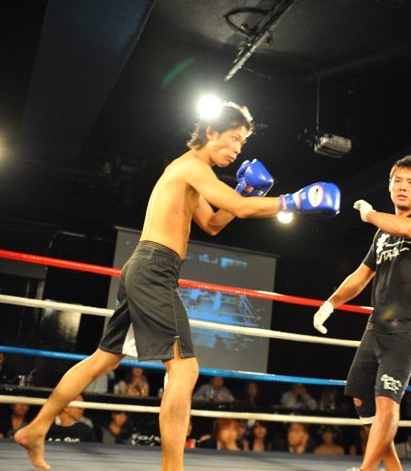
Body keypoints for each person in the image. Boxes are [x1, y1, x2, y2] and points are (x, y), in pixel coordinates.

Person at [15, 101, 340, 471]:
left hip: (148, 267)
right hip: (154, 268)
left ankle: (36, 429)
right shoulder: (192, 167)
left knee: (104, 358)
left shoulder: (191, 173)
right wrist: (295, 201)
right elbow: (241, 209)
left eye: (242, 143)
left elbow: (213, 223)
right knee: (185, 371)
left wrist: (246, 193)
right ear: (211, 132)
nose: (237, 149)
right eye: (234, 138)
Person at [314, 154, 411, 471]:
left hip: (407, 327)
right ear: (389, 186)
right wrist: (330, 303)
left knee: (387, 402)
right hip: (377, 326)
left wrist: (371, 214)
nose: (403, 187)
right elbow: (361, 276)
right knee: (361, 397)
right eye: (397, 181)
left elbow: (407, 228)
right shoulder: (382, 233)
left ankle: (366, 470)